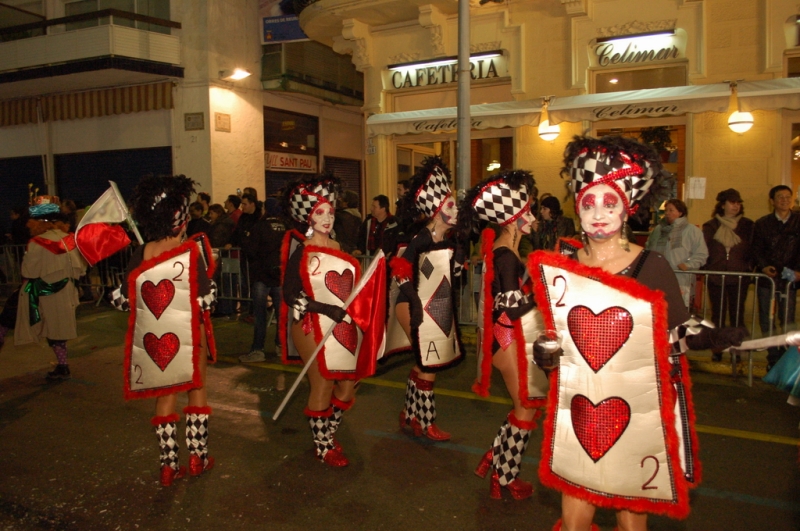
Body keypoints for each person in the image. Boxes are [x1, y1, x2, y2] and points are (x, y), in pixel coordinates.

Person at [529, 135, 746, 531]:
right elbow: (553, 334)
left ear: (626, 210)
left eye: (609, 203)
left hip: (633, 412)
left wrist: (714, 336)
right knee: (574, 518)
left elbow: (675, 333)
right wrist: (544, 353)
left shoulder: (652, 265)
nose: (598, 213)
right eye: (588, 203)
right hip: (579, 410)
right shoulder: (562, 266)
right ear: (576, 209)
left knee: (632, 522)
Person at [113, 175, 217, 487]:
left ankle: (168, 465)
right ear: (180, 218)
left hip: (157, 339)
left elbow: (120, 299)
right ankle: (198, 457)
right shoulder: (190, 250)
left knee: (166, 395)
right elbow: (207, 296)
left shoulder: (142, 253)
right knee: (196, 389)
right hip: (189, 333)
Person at [281, 174, 384, 467]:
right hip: (310, 323)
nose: (327, 217)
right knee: (323, 382)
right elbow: (290, 295)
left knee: (349, 384)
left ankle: (326, 431)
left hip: (340, 324)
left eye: (330, 211)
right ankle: (324, 446)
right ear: (308, 218)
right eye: (320, 212)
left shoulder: (338, 247)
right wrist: (323, 309)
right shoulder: (302, 250)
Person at [458, 170, 548, 500]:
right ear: (514, 218)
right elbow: (511, 308)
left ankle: (499, 465)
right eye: (529, 211)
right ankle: (503, 475)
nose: (533, 217)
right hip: (510, 340)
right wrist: (546, 301)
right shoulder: (506, 256)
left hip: (508, 340)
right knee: (526, 408)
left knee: (526, 409)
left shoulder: (502, 252)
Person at [390, 156, 464, 441]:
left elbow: (453, 276)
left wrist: (461, 250)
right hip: (411, 304)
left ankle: (410, 415)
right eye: (449, 205)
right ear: (436, 212)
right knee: (430, 363)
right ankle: (427, 421)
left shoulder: (449, 239)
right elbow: (400, 270)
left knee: (423, 363)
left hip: (431, 307)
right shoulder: (423, 237)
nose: (455, 210)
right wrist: (416, 304)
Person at [3, 198, 87, 379]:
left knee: (9, 314)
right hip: (65, 292)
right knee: (57, 329)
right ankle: (63, 365)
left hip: (41, 292)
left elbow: (28, 271)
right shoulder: (69, 240)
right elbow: (81, 268)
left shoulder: (37, 242)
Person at [702, 188, 754, 362]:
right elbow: (705, 250)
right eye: (732, 202)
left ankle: (736, 349)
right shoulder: (711, 226)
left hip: (739, 277)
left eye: (738, 203)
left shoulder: (747, 226)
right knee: (718, 315)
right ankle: (718, 348)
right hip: (717, 277)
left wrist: (749, 267)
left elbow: (753, 249)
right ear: (722, 205)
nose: (736, 206)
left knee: (737, 315)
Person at [753, 185, 800, 369]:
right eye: (780, 197)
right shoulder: (762, 223)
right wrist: (763, 266)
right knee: (767, 318)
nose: (784, 200)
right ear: (772, 201)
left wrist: (798, 272)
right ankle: (773, 356)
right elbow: (755, 249)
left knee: (787, 318)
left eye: (788, 197)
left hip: (790, 280)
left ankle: (786, 357)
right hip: (768, 279)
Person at [239, 198, 287, 362]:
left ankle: (258, 349)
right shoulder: (285, 227)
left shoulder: (260, 227)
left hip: (262, 275)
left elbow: (251, 250)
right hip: (280, 275)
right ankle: (281, 346)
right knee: (282, 315)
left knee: (260, 315)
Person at [646, 198, 708, 307]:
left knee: (678, 308)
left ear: (680, 212)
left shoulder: (692, 231)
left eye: (671, 210)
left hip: (681, 278)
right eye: (666, 210)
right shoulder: (658, 230)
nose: (667, 213)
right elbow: (648, 248)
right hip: (658, 278)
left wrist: (689, 265)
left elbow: (701, 253)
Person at [333, 190, 361, 254]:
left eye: (342, 199)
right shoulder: (357, 216)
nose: (339, 200)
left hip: (343, 250)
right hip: (354, 251)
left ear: (346, 203)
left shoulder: (340, 217)